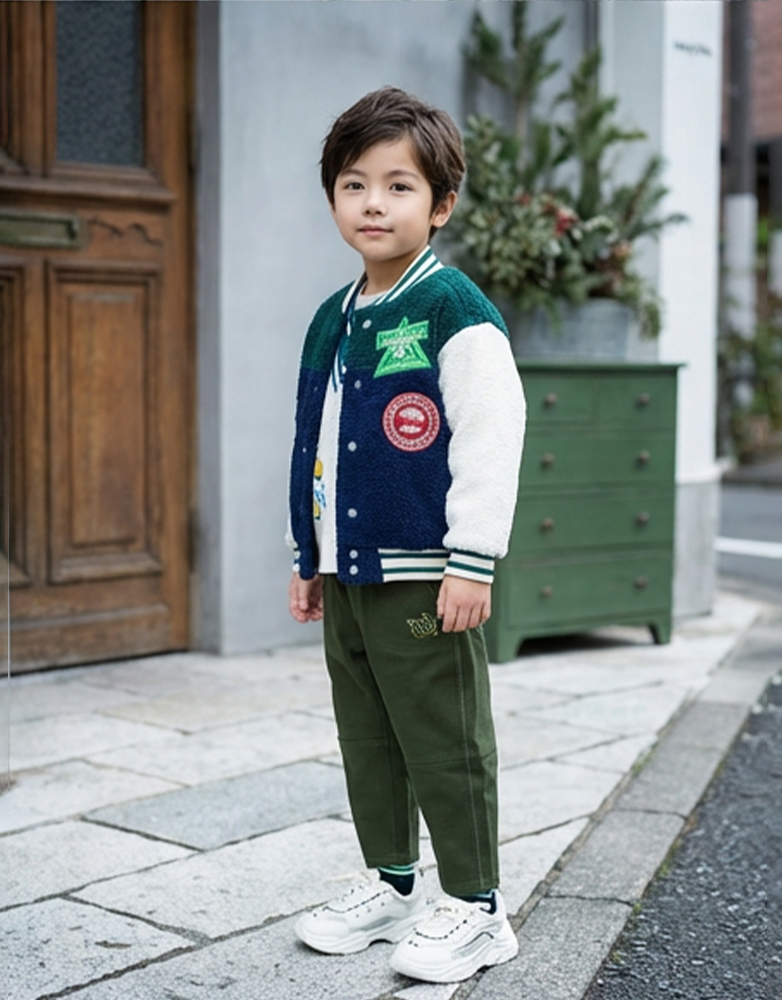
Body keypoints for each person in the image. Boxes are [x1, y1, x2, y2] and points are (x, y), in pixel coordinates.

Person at [287, 86, 526, 985]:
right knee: (369, 732)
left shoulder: (452, 308)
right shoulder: (333, 315)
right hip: (349, 571)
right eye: (355, 185)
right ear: (333, 198)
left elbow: (492, 436)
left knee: (442, 731)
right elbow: (314, 441)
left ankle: (476, 904)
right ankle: (391, 883)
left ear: (441, 204)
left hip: (427, 576)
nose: (374, 204)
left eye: (399, 186)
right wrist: (306, 554)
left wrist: (473, 560)